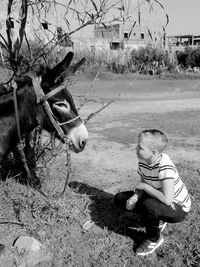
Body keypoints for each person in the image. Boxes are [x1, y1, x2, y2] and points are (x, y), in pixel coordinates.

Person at [114, 129, 191, 256]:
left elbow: (167, 199)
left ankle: (154, 238)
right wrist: (134, 197)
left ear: (153, 152)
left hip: (177, 207)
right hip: (157, 198)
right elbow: (143, 185)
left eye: (140, 147)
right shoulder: (143, 160)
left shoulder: (165, 167)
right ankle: (155, 218)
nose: (136, 148)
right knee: (120, 198)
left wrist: (144, 187)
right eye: (138, 145)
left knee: (149, 205)